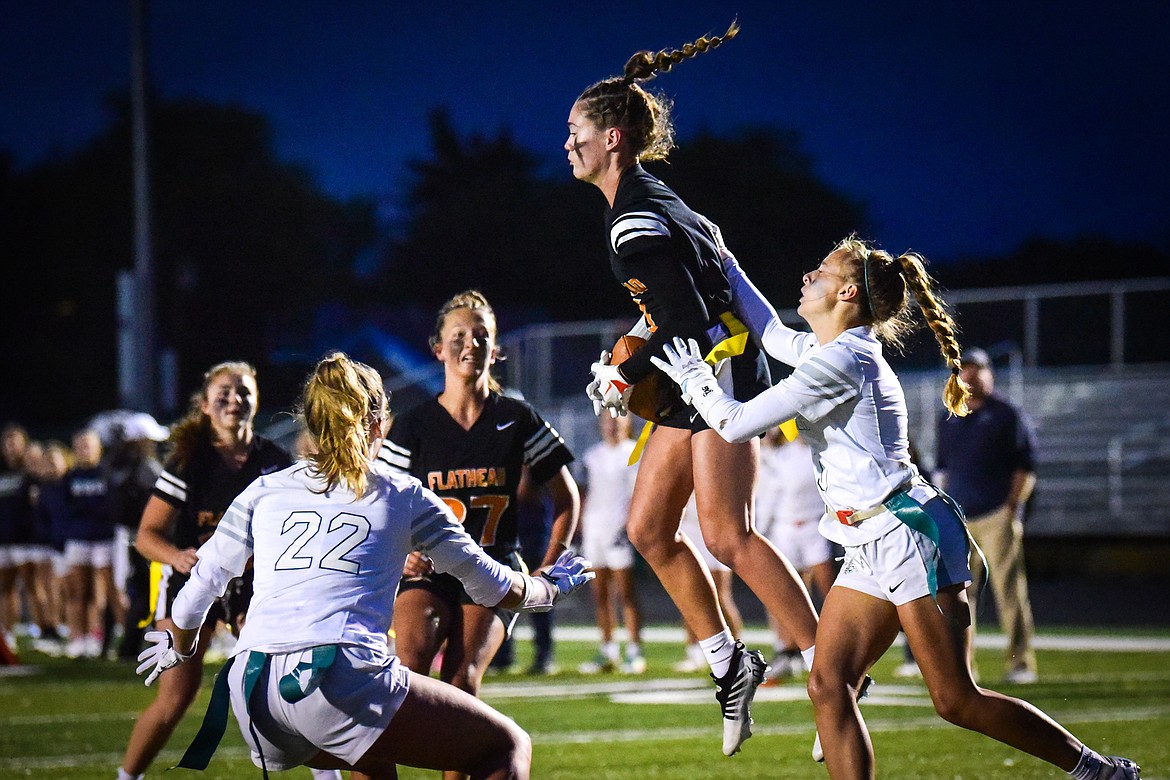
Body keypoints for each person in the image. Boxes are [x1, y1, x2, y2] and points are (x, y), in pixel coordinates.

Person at [650, 232, 1141, 779]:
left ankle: (1099, 771)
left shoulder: (843, 362)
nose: (808, 276)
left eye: (822, 270)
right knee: (827, 685)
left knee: (955, 700)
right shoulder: (832, 352)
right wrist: (727, 260)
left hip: (909, 534)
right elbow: (768, 333)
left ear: (848, 295)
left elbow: (737, 423)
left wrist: (696, 380)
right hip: (869, 538)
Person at [133, 351, 594, 779]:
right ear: (378, 423)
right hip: (338, 679)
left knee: (373, 758)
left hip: (253, 695)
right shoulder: (401, 493)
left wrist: (185, 645)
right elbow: (493, 587)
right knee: (508, 746)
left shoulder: (264, 489)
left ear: (313, 422)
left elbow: (199, 588)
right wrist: (548, 587)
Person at [566, 21, 818, 755]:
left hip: (715, 367)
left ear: (613, 136)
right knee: (646, 527)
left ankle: (828, 667)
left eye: (576, 130)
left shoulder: (632, 221)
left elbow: (682, 314)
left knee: (726, 533)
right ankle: (728, 659)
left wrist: (624, 372)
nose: (568, 143)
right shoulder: (656, 198)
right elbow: (689, 296)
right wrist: (641, 354)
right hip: (696, 367)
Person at [373, 291, 579, 780]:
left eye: (481, 336)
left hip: (493, 570)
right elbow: (376, 508)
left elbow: (567, 498)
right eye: (458, 336)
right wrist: (400, 554)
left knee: (463, 685)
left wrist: (550, 565)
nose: (470, 344)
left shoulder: (518, 417)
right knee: (403, 669)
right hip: (430, 570)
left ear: (496, 349)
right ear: (438, 348)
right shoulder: (415, 425)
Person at [118, 361, 293, 780]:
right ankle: (127, 777)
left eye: (243, 391)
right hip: (191, 582)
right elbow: (147, 534)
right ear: (206, 405)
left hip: (252, 584)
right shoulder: (189, 460)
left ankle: (327, 774)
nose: (234, 400)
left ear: (257, 399)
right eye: (224, 392)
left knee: (284, 682)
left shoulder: (274, 459)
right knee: (175, 697)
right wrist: (177, 556)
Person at [935, 347, 1039, 684]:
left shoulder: (1008, 414)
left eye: (976, 369)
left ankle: (1020, 663)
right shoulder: (951, 416)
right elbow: (944, 470)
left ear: (989, 373)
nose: (970, 374)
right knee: (961, 594)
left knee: (1009, 591)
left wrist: (1012, 508)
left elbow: (1025, 467)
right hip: (960, 518)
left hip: (996, 514)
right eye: (964, 369)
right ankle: (964, 667)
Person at [756, 428, 835, 683]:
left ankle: (835, 645)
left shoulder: (820, 453)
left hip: (813, 526)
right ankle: (787, 649)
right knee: (783, 591)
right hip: (785, 528)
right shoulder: (778, 456)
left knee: (829, 589)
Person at [576, 413, 645, 675]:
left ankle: (635, 650)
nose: (612, 424)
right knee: (600, 594)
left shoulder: (633, 453)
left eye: (617, 419)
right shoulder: (592, 455)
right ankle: (608, 649)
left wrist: (630, 526)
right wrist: (581, 527)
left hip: (619, 530)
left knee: (626, 592)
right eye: (608, 420)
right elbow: (585, 492)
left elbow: (638, 493)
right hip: (595, 530)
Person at [107, 412, 169, 661]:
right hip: (143, 535)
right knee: (147, 590)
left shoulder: (115, 464)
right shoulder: (145, 466)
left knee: (139, 590)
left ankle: (126, 644)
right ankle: (130, 645)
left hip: (125, 535)